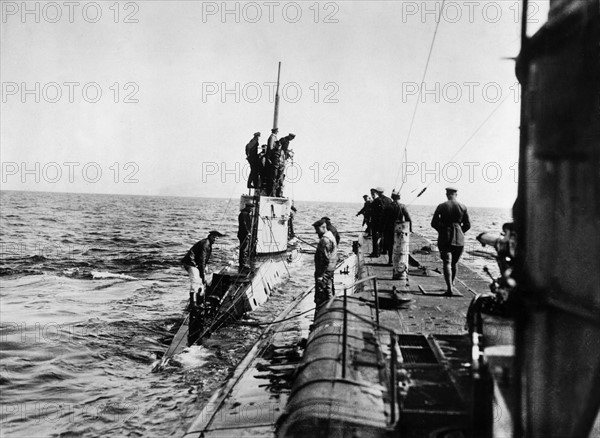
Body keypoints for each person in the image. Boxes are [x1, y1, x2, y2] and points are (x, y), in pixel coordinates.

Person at [431, 187, 471, 295]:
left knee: (447, 262)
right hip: (459, 238)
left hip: (445, 237)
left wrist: (441, 230)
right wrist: (460, 232)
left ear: (447, 194)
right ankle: (452, 284)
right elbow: (468, 225)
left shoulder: (442, 206)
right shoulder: (463, 206)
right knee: (455, 263)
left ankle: (449, 289)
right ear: (456, 194)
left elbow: (434, 223)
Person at [181, 231, 225, 295]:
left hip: (195, 262)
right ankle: (193, 301)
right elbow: (202, 259)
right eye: (213, 237)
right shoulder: (205, 244)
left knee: (205, 276)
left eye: (216, 238)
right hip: (190, 263)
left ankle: (201, 294)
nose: (215, 239)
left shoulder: (208, 244)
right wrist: (203, 273)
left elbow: (203, 260)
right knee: (196, 280)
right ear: (209, 236)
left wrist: (204, 270)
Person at [313, 219, 338, 312]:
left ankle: (322, 311)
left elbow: (325, 259)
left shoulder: (325, 239)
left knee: (321, 293)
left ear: (323, 227)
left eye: (317, 229)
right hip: (330, 269)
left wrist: (320, 275)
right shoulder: (330, 235)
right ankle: (330, 309)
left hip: (325, 271)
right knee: (328, 289)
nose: (316, 232)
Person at [382, 190, 412, 265]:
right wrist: (410, 229)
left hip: (389, 228)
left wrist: (381, 229)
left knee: (390, 244)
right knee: (399, 244)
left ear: (392, 197)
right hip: (399, 228)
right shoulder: (402, 206)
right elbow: (408, 219)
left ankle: (390, 260)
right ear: (399, 197)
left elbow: (382, 219)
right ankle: (399, 260)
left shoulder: (388, 206)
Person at [369, 187, 391, 257]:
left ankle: (376, 252)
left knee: (376, 237)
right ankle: (384, 250)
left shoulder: (376, 201)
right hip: (387, 222)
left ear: (377, 192)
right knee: (385, 236)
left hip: (377, 222)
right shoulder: (389, 200)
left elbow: (372, 210)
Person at [237, 203, 254, 271]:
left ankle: (243, 263)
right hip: (244, 234)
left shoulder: (245, 213)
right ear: (248, 208)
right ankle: (242, 264)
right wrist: (248, 232)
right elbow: (244, 224)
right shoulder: (244, 214)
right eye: (251, 209)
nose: (251, 210)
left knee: (244, 249)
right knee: (243, 249)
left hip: (244, 234)